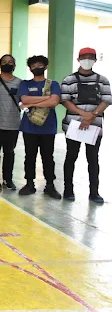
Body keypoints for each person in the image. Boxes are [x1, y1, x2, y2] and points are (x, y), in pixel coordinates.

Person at [61, 47, 111, 203]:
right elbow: (65, 100)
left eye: (90, 57)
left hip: (94, 126)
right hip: (73, 125)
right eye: (84, 57)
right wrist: (84, 115)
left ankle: (94, 192)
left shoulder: (102, 80)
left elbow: (107, 99)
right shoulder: (69, 79)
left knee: (93, 158)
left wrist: (92, 116)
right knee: (71, 157)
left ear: (95, 60)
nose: (87, 60)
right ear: (78, 60)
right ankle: (68, 190)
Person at [17, 55, 62, 199]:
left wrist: (31, 103)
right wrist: (46, 98)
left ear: (46, 66)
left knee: (48, 156)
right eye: (34, 65)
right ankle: (29, 184)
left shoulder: (53, 84)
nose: (37, 67)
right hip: (29, 127)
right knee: (29, 156)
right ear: (30, 69)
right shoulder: (25, 83)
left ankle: (50, 185)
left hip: (48, 127)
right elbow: (24, 99)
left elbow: (54, 102)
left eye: (40, 65)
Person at [0, 54, 22, 190]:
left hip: (13, 124)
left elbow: (24, 101)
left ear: (14, 66)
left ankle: (8, 179)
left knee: (9, 153)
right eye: (4, 62)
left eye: (10, 62)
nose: (7, 64)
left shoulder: (21, 83)